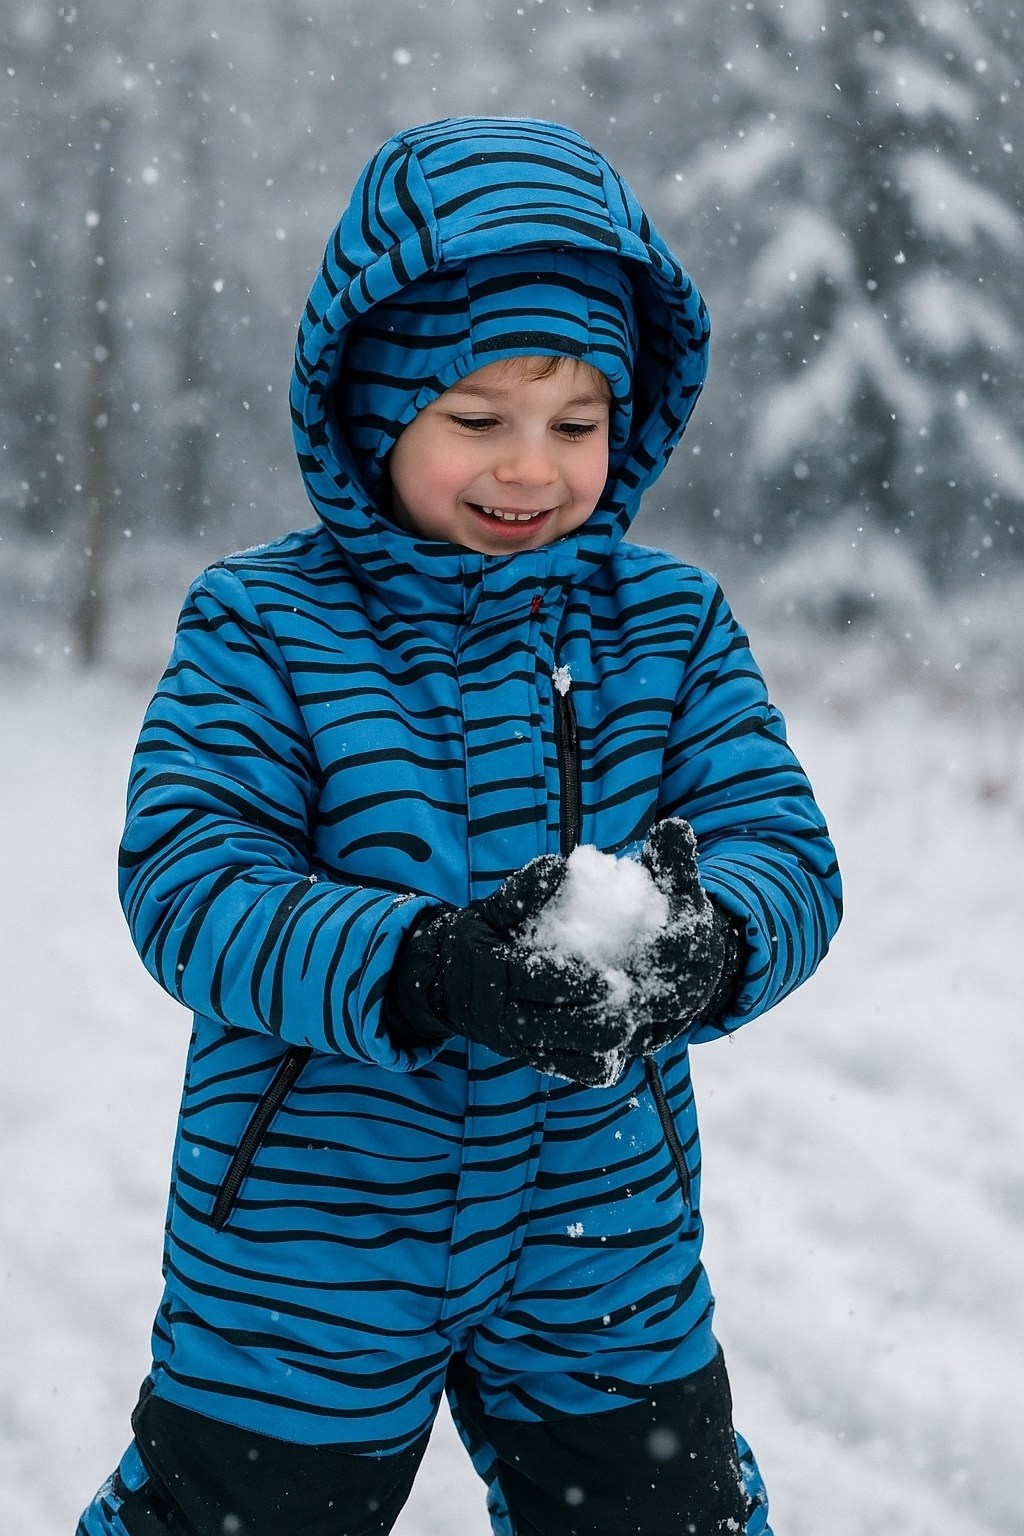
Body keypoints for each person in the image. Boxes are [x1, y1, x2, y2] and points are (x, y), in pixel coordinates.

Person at [78, 116, 841, 1536]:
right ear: (376, 414)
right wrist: (424, 965)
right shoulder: (266, 626)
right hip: (313, 1230)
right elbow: (192, 881)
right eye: (477, 421)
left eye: (579, 423)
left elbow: (780, 844)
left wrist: (715, 946)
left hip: (601, 1223)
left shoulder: (667, 630)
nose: (532, 472)